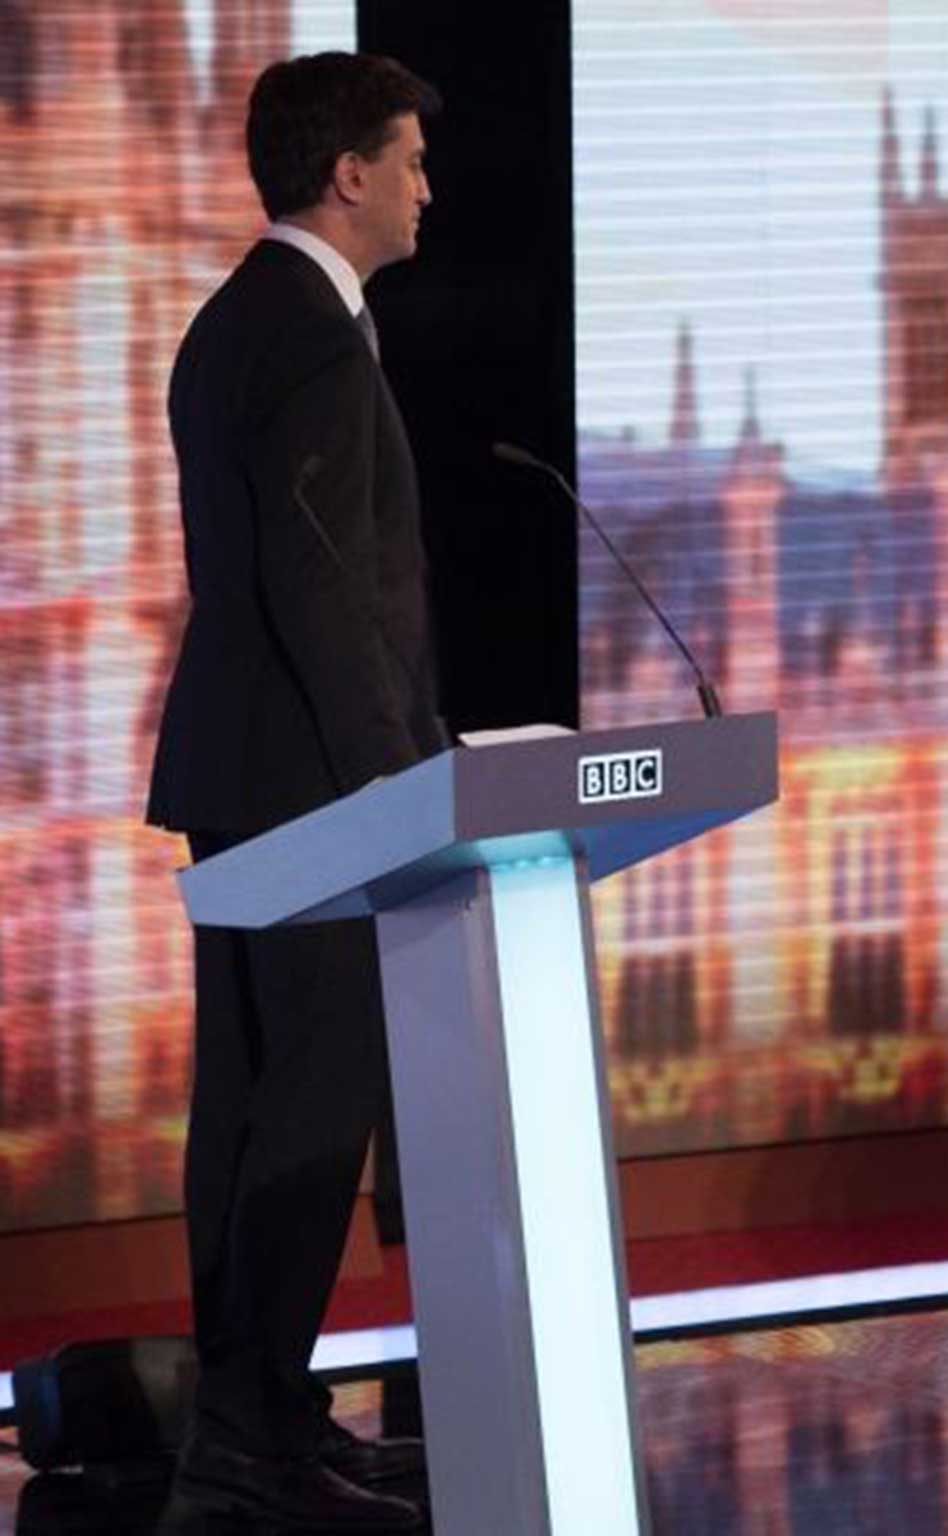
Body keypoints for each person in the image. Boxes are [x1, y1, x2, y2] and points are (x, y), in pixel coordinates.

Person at [147, 51, 445, 1529]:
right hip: (317, 787)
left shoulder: (232, 321)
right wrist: (402, 795)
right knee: (311, 1101)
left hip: (243, 770)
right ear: (348, 174)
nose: (425, 187)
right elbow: (333, 595)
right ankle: (254, 1426)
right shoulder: (316, 338)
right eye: (406, 159)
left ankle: (254, 1412)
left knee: (250, 1100)